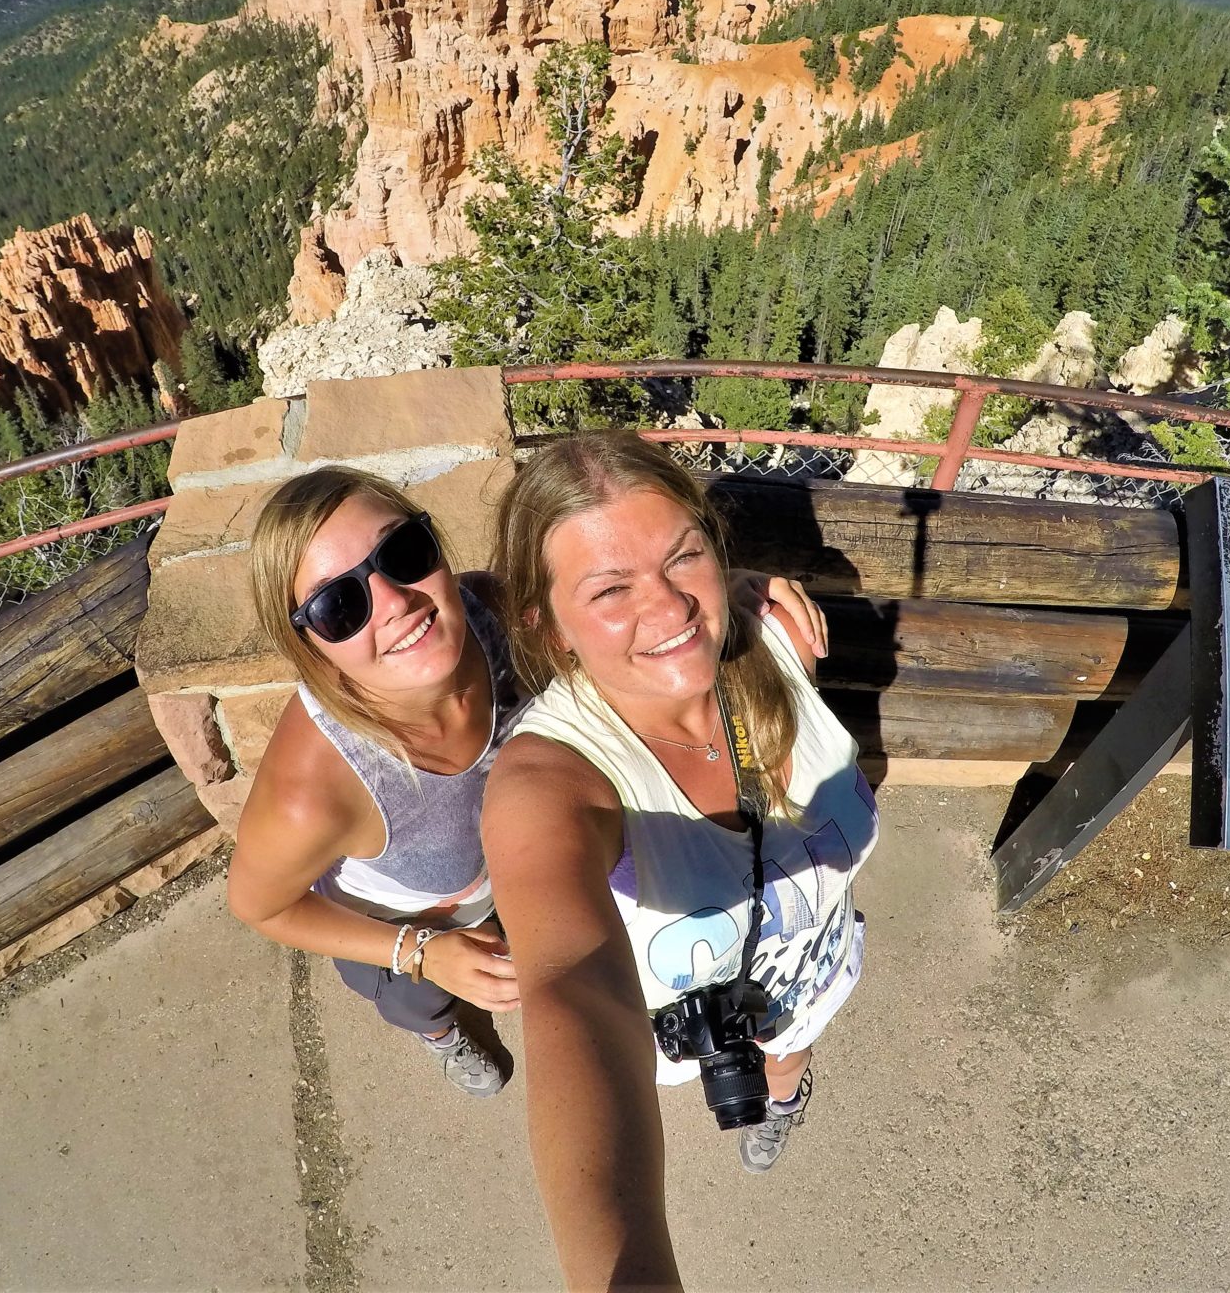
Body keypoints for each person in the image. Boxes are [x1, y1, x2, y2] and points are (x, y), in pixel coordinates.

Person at [229, 464, 827, 1100]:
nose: (397, 603)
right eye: (339, 606)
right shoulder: (316, 788)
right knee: (424, 1003)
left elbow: (594, 615)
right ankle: (442, 1035)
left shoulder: (489, 612)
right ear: (307, 645)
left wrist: (717, 596)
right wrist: (422, 953)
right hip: (414, 925)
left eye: (402, 553)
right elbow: (260, 904)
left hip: (514, 880)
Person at [483, 433, 878, 1288]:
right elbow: (572, 989)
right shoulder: (549, 781)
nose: (667, 611)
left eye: (682, 558)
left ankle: (781, 1098)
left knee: (791, 1051)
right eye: (611, 589)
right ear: (547, 625)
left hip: (817, 971)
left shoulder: (772, 638)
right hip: (681, 1033)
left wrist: (735, 601)